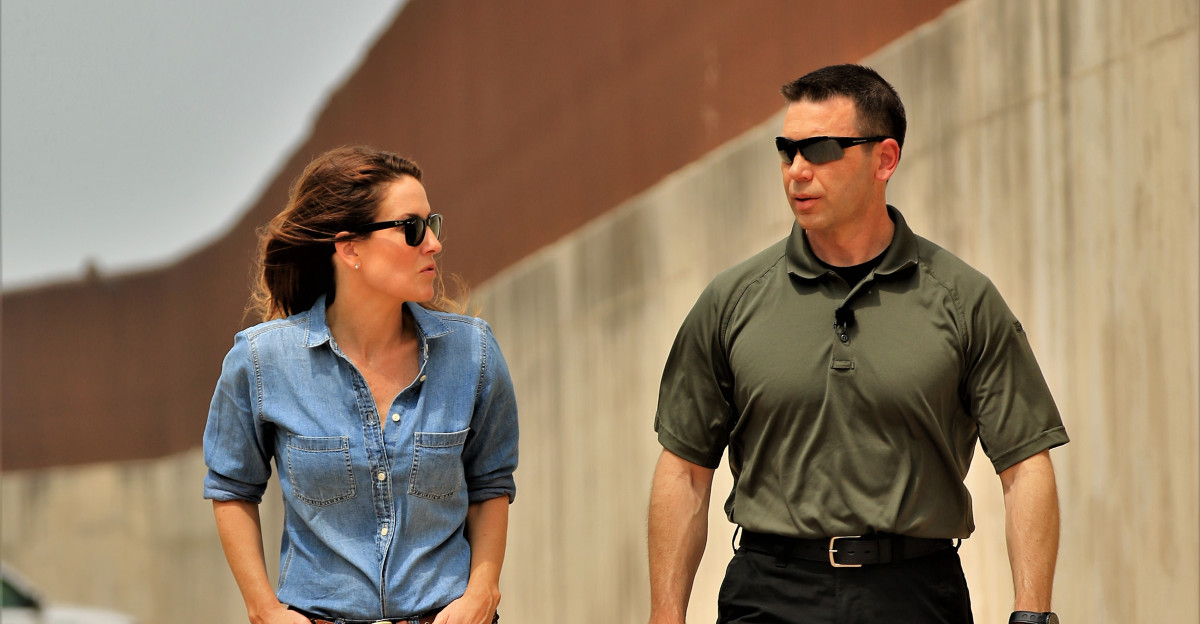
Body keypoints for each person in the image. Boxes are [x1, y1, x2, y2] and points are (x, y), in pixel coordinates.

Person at [647, 65, 1068, 624]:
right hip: (770, 594)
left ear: (885, 159)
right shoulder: (731, 301)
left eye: (820, 149)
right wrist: (665, 616)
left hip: (915, 595)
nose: (797, 170)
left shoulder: (963, 299)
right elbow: (684, 471)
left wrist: (1033, 614)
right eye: (787, 150)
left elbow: (1024, 466)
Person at [203, 146, 518, 624]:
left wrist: (482, 591)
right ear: (349, 247)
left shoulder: (472, 353)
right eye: (412, 228)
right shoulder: (261, 362)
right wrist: (264, 610)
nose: (432, 243)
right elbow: (231, 486)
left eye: (432, 224)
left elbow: (491, 481)